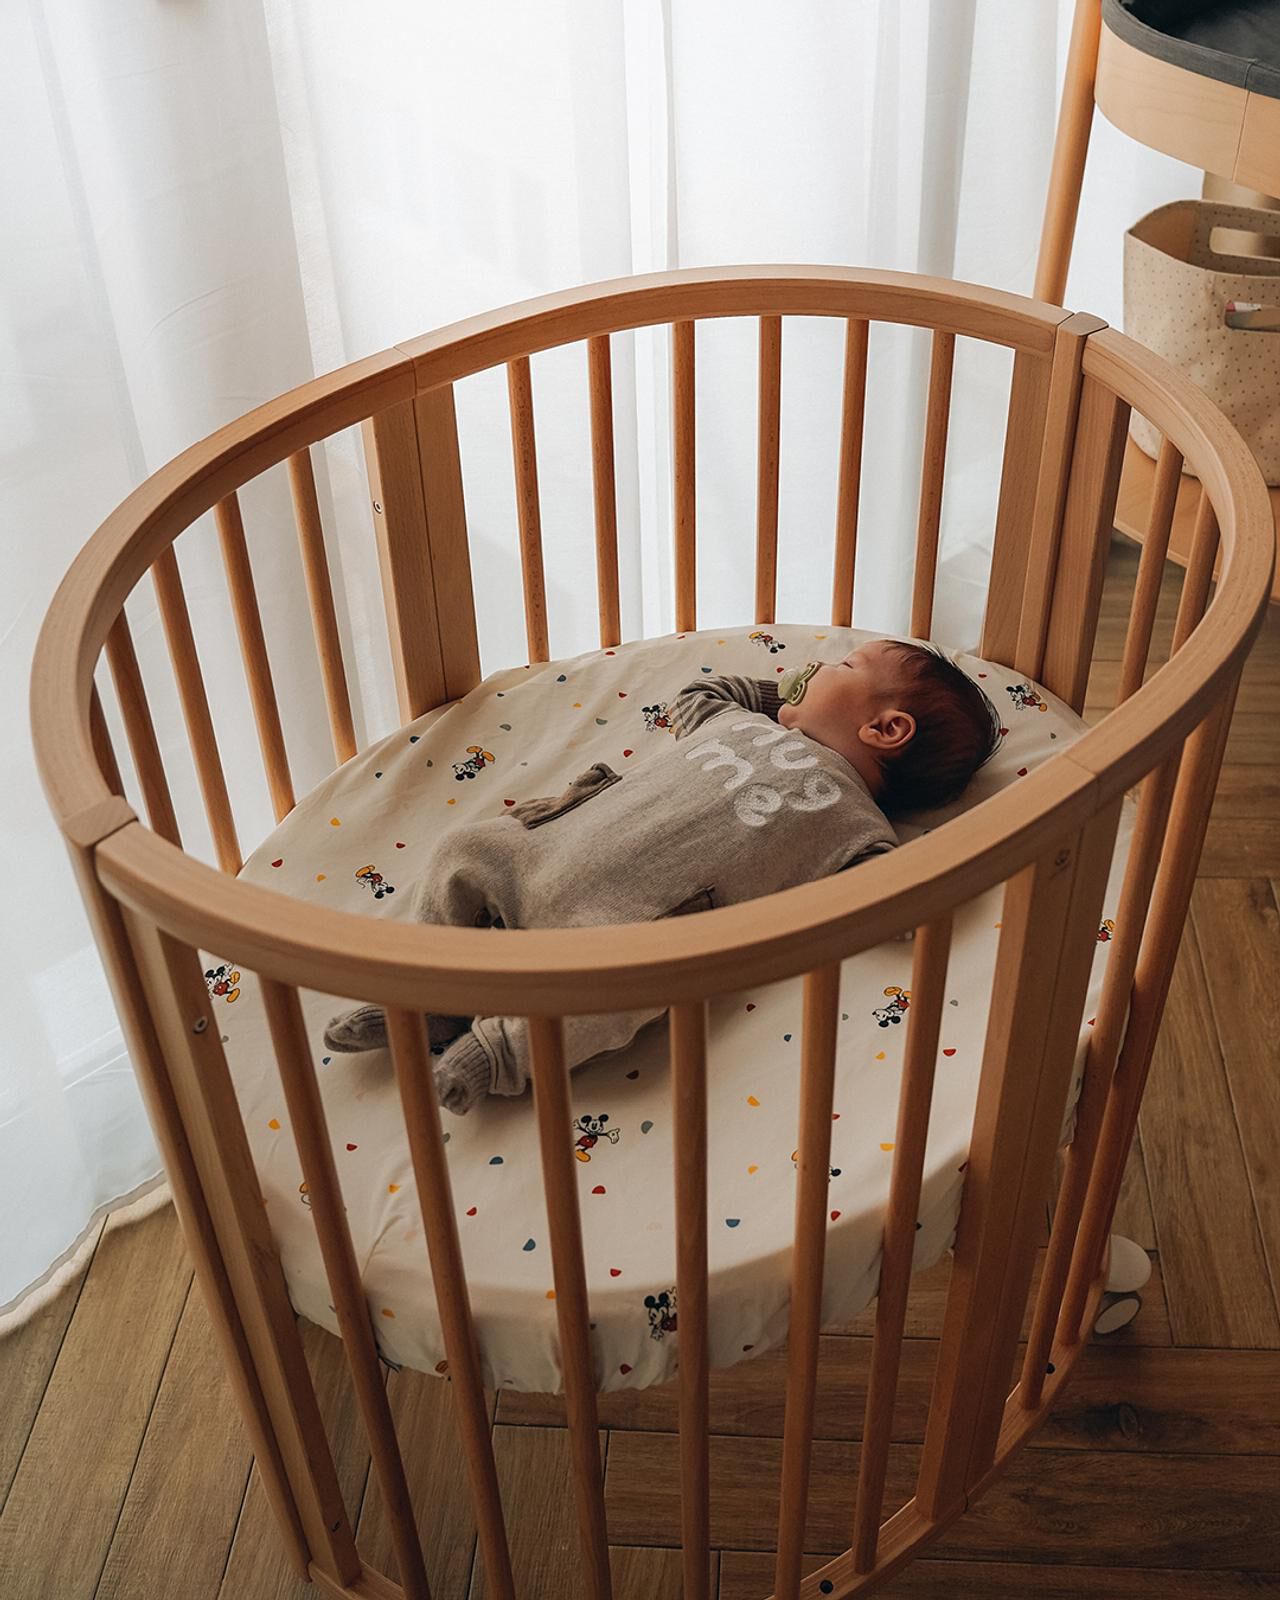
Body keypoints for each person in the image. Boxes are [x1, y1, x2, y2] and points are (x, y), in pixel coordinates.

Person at [323, 638, 1002, 1113]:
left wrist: (969, 845)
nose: (818, 665)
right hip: (549, 846)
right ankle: (429, 996)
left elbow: (899, 907)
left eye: (842, 665)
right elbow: (698, 692)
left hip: (629, 927)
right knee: (460, 851)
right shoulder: (738, 719)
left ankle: (499, 1053)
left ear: (887, 728)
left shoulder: (855, 828)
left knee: (610, 998)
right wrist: (784, 696)